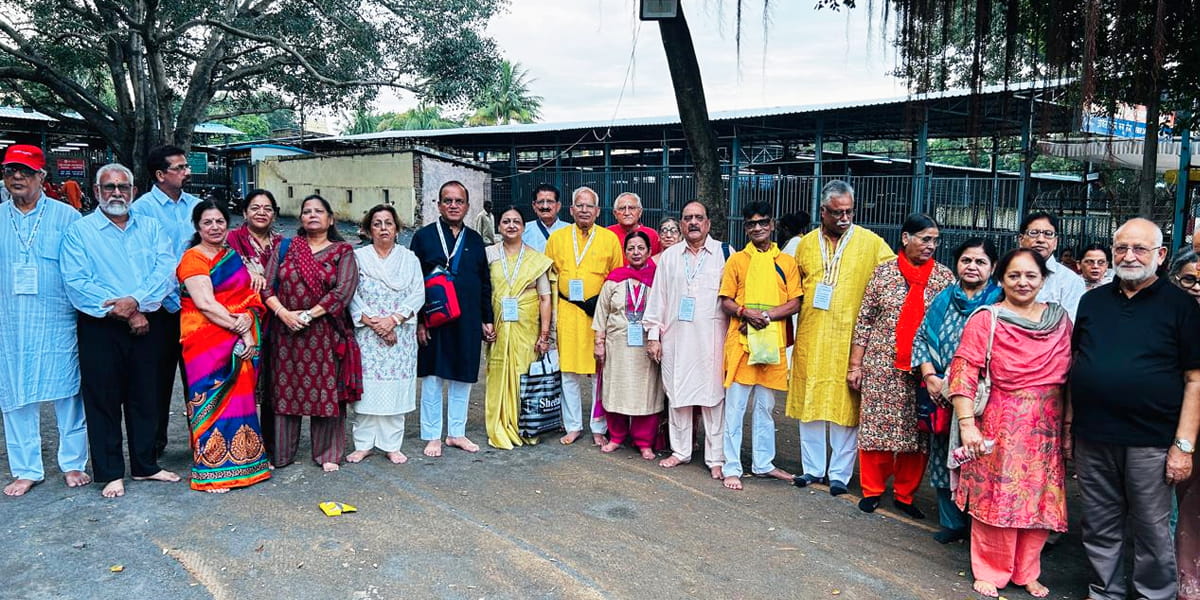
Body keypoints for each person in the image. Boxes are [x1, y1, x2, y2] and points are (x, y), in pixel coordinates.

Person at [1071, 218, 1200, 600]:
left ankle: (1154, 595)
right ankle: (1104, 592)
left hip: (1153, 442)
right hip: (1094, 437)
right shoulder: (1091, 301)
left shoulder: (1182, 306)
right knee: (1098, 524)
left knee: (1151, 528)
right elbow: (1079, 359)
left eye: (1140, 249)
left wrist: (1184, 446)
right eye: (1122, 248)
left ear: (1160, 256)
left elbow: (1195, 380)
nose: (1129, 256)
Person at [945, 248, 1071, 598]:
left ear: (1043, 279)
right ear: (1001, 279)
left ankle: (1027, 571)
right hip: (999, 423)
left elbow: (1072, 375)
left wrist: (1069, 427)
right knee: (996, 498)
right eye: (1014, 275)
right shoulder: (987, 319)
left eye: (1031, 275)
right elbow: (964, 372)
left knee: (1040, 501)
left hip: (1046, 425)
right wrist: (967, 424)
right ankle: (991, 570)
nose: (1023, 282)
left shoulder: (1059, 321)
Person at [61, 163, 182, 498]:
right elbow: (77, 282)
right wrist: (126, 310)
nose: (117, 193)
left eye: (123, 187)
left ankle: (145, 466)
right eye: (109, 187)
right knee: (103, 399)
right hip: (100, 327)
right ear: (97, 192)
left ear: (133, 191)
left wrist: (137, 302)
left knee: (147, 396)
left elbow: (166, 269)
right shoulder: (80, 232)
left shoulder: (151, 227)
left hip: (147, 322)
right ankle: (110, 471)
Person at [787, 180, 895, 496]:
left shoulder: (871, 243)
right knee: (811, 405)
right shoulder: (803, 245)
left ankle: (839, 475)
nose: (844, 218)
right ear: (823, 212)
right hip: (812, 337)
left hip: (851, 341)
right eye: (837, 213)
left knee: (845, 410)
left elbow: (890, 280)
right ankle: (811, 469)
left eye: (848, 212)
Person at [850, 213, 954, 516]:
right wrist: (855, 365)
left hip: (924, 371)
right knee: (877, 430)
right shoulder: (883, 274)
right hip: (882, 365)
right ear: (906, 238)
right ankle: (872, 490)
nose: (931, 245)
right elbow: (865, 321)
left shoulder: (944, 278)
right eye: (925, 238)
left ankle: (905, 495)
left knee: (917, 435)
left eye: (935, 240)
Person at [0, 144, 89, 496]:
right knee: (15, 394)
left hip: (58, 318)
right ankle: (26, 469)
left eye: (24, 171)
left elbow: (82, 268)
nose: (16, 177)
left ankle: (73, 464)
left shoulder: (67, 217)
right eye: (10, 171)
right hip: (10, 322)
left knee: (68, 393)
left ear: (42, 176)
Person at [261, 194, 361, 472]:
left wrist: (307, 315)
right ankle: (281, 454)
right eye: (306, 212)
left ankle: (327, 454)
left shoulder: (342, 252)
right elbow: (267, 288)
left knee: (327, 393)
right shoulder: (285, 247)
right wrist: (284, 314)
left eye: (319, 211)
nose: (312, 215)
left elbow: (342, 293)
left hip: (325, 333)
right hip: (286, 334)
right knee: (284, 391)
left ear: (331, 219)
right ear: (300, 219)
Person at [176, 200, 271, 492]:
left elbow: (246, 295)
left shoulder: (230, 255)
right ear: (197, 227)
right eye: (208, 222)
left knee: (241, 403)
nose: (215, 227)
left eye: (219, 222)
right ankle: (213, 470)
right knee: (211, 403)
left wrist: (247, 324)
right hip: (206, 343)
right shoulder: (194, 258)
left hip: (236, 339)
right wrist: (241, 327)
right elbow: (205, 304)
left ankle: (247, 461)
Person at [912, 238, 1002, 543]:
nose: (972, 267)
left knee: (979, 458)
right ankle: (951, 522)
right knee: (943, 455)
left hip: (983, 397)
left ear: (993, 267)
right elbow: (923, 337)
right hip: (941, 393)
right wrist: (930, 377)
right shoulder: (943, 298)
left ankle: (979, 524)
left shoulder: (1000, 302)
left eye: (980, 262)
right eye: (966, 260)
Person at [717, 202, 800, 491]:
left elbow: (795, 302)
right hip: (741, 343)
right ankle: (731, 467)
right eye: (751, 224)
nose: (758, 228)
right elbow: (726, 299)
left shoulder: (786, 262)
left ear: (772, 224)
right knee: (735, 408)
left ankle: (764, 463)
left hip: (772, 342)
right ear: (745, 228)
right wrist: (745, 313)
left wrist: (764, 316)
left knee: (765, 407)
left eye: (763, 222)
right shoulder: (738, 260)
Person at [642, 201, 729, 477]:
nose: (693, 222)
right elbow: (658, 298)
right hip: (676, 339)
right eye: (687, 218)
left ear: (708, 224)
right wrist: (653, 336)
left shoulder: (724, 253)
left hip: (712, 340)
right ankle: (681, 451)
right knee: (677, 394)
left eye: (698, 218)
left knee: (713, 398)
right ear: (681, 224)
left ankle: (716, 457)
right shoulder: (669, 257)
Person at [411, 181, 493, 457]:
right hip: (435, 318)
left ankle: (456, 433)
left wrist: (487, 318)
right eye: (448, 201)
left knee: (463, 376)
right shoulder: (423, 237)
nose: (454, 206)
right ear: (439, 205)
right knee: (433, 376)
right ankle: (432, 435)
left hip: (468, 318)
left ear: (467, 206)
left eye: (459, 201)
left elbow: (484, 282)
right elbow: (414, 283)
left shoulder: (474, 240)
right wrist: (420, 321)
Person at [132, 145, 201, 459]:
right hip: (158, 309)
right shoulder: (141, 210)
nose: (187, 172)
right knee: (155, 382)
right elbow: (138, 261)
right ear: (160, 175)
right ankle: (153, 447)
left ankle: (202, 441)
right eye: (180, 167)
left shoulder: (198, 207)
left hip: (196, 308)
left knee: (198, 379)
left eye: (186, 166)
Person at [545, 186, 623, 446]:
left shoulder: (609, 239)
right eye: (580, 205)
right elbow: (549, 276)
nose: (584, 210)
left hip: (597, 314)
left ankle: (598, 426)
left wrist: (604, 305)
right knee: (568, 372)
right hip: (567, 312)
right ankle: (573, 425)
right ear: (571, 209)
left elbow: (617, 278)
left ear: (598, 211)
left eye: (589, 206)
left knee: (598, 372)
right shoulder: (557, 238)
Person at [348, 205, 424, 464]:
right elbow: (351, 295)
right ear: (369, 229)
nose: (383, 228)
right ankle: (364, 443)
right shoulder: (358, 257)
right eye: (377, 223)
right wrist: (375, 324)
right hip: (368, 335)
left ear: (397, 228)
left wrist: (393, 321)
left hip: (399, 335)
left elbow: (418, 294)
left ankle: (392, 444)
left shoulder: (409, 258)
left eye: (388, 223)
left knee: (395, 391)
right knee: (368, 390)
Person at [485, 207, 554, 449]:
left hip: (527, 327)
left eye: (516, 221)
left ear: (524, 227)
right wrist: (485, 322)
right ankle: (501, 424)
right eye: (506, 221)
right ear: (499, 226)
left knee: (525, 373)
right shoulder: (489, 255)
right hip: (499, 326)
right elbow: (484, 292)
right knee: (499, 372)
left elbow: (545, 298)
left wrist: (544, 335)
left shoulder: (536, 259)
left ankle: (526, 425)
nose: (511, 225)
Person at [593, 230, 664, 459]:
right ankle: (616, 437)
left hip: (647, 347)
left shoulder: (658, 278)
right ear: (625, 253)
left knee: (646, 392)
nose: (636, 252)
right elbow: (601, 312)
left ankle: (644, 442)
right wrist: (599, 343)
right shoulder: (615, 278)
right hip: (618, 346)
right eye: (631, 248)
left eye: (641, 248)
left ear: (650, 251)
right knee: (617, 390)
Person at [226, 189, 283, 456]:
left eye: (267, 208)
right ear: (245, 212)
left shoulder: (284, 244)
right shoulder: (229, 240)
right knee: (240, 385)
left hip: (277, 321)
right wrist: (245, 271)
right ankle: (242, 447)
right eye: (255, 207)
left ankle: (270, 447)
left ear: (274, 213)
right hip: (238, 322)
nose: (261, 212)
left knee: (272, 386)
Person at [1175, 249, 1200, 600]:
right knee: (1188, 508)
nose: (1197, 288)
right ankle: (1186, 584)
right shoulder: (1170, 318)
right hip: (1181, 424)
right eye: (1189, 280)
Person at [1016, 212, 1085, 319]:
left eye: (1048, 234)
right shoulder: (1007, 275)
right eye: (1034, 233)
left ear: (1055, 242)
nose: (1041, 240)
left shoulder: (1070, 281)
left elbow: (1069, 325)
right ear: (1021, 239)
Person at [607, 192, 662, 257]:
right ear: (615, 213)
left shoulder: (652, 235)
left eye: (632, 208)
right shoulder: (607, 234)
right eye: (622, 208)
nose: (627, 213)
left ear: (640, 212)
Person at [522, 184, 569, 253]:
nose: (545, 206)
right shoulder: (523, 230)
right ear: (534, 206)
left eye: (550, 202)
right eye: (540, 202)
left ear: (558, 206)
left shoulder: (569, 230)